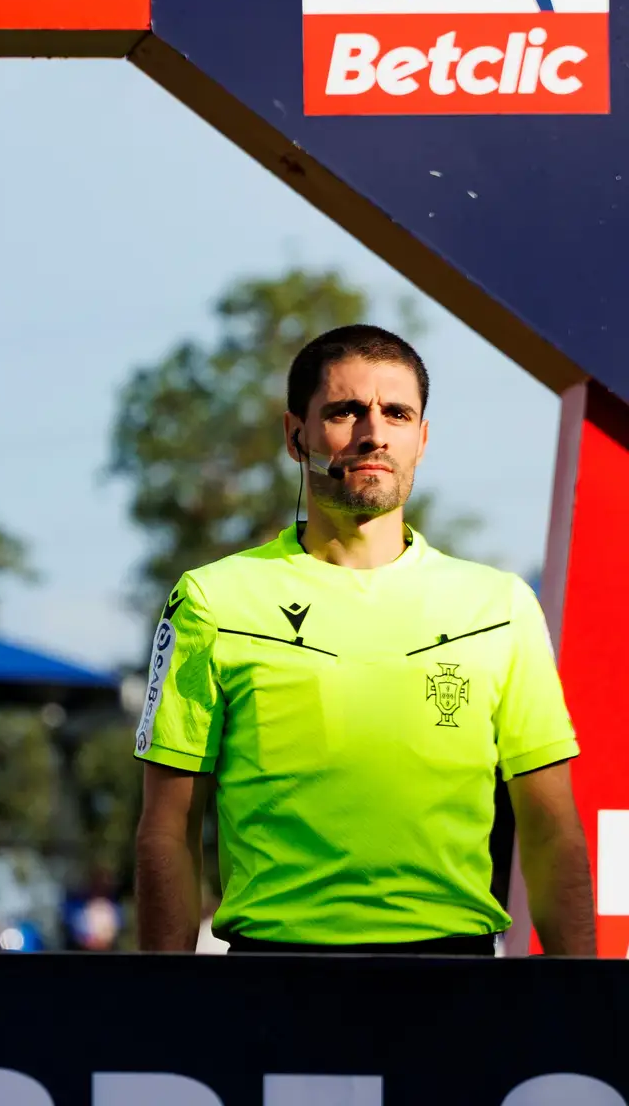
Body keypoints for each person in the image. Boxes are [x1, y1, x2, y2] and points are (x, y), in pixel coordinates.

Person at [134, 325, 594, 955]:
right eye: (347, 411)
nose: (374, 433)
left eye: (397, 413)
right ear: (296, 435)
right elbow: (168, 828)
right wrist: (161, 1012)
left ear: (422, 440)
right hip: (271, 983)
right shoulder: (213, 600)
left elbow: (550, 829)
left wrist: (592, 1008)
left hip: (456, 986)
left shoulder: (501, 605)